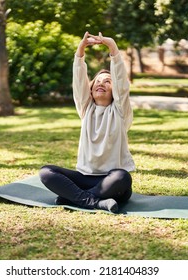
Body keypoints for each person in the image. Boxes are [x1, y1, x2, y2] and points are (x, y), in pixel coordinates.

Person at [39, 31, 135, 213]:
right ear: (90, 90)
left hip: (112, 181)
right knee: (46, 172)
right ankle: (95, 202)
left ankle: (74, 198)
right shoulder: (86, 109)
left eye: (107, 81)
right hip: (84, 177)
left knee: (123, 177)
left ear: (115, 90)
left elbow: (122, 81)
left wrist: (112, 47)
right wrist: (80, 51)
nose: (101, 83)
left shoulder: (121, 111)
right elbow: (78, 81)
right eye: (97, 81)